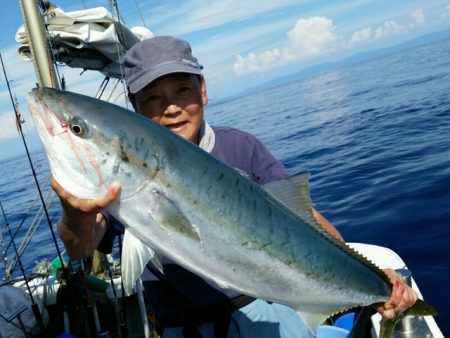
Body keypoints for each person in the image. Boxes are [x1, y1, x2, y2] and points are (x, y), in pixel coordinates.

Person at [52, 36, 417, 337]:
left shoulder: (240, 146)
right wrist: (74, 211)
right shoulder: (120, 181)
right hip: (183, 327)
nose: (172, 108)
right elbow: (80, 247)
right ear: (135, 108)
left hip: (264, 310)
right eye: (153, 98)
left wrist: (372, 279)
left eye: (182, 90)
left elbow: (307, 222)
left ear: (203, 91)